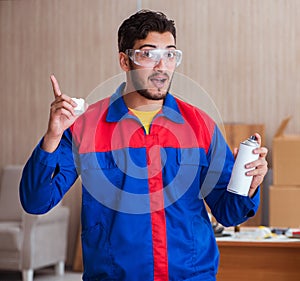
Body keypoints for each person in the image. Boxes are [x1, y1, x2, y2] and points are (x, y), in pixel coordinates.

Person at [20, 10, 268, 281]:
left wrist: (250, 185)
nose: (161, 66)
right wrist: (53, 136)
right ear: (125, 61)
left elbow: (228, 212)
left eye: (170, 54)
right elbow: (36, 201)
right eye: (149, 54)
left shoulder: (200, 126)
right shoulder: (85, 127)